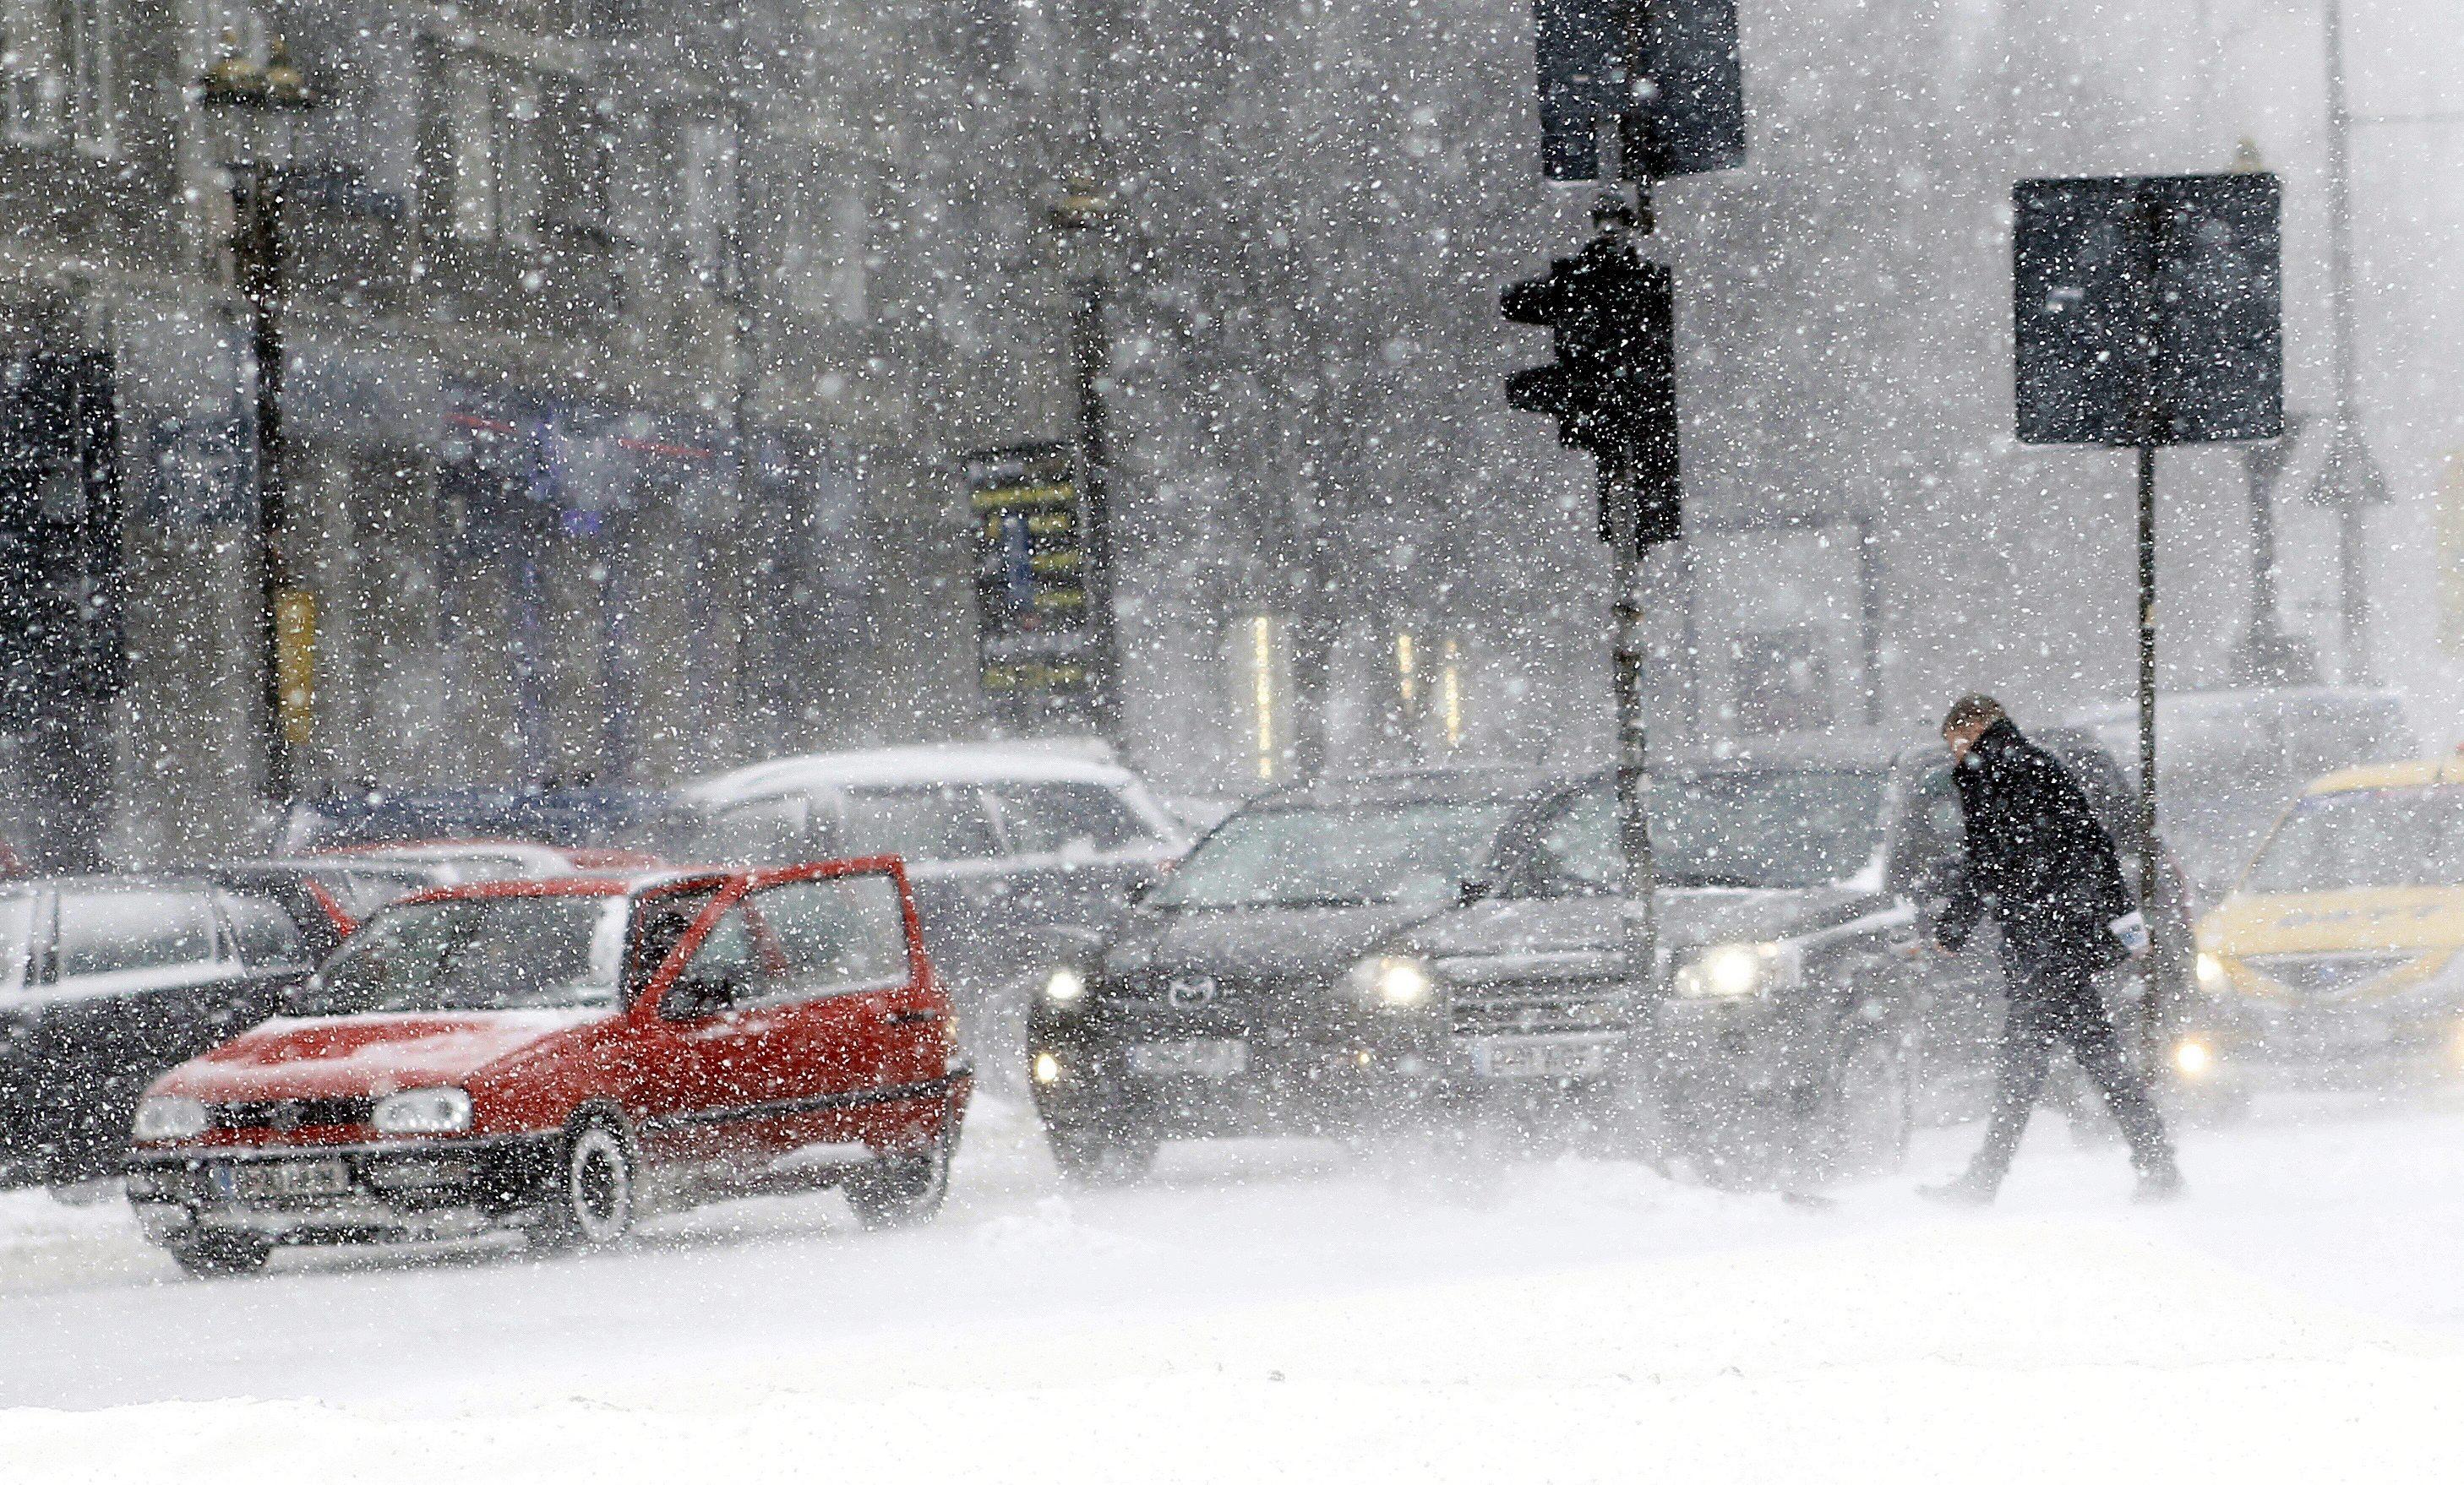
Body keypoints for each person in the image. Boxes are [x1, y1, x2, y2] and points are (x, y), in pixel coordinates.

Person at [1921, 694, 2183, 1205]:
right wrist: (2126, 927)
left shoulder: (1998, 773)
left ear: (1975, 727)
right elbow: (2095, 848)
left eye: (1954, 740)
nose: (1953, 753)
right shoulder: (2035, 766)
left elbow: (1988, 863)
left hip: (2043, 941)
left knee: (2035, 1065)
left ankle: (1986, 1180)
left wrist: (1953, 929)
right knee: (2082, 1059)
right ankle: (2156, 1163)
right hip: (2059, 936)